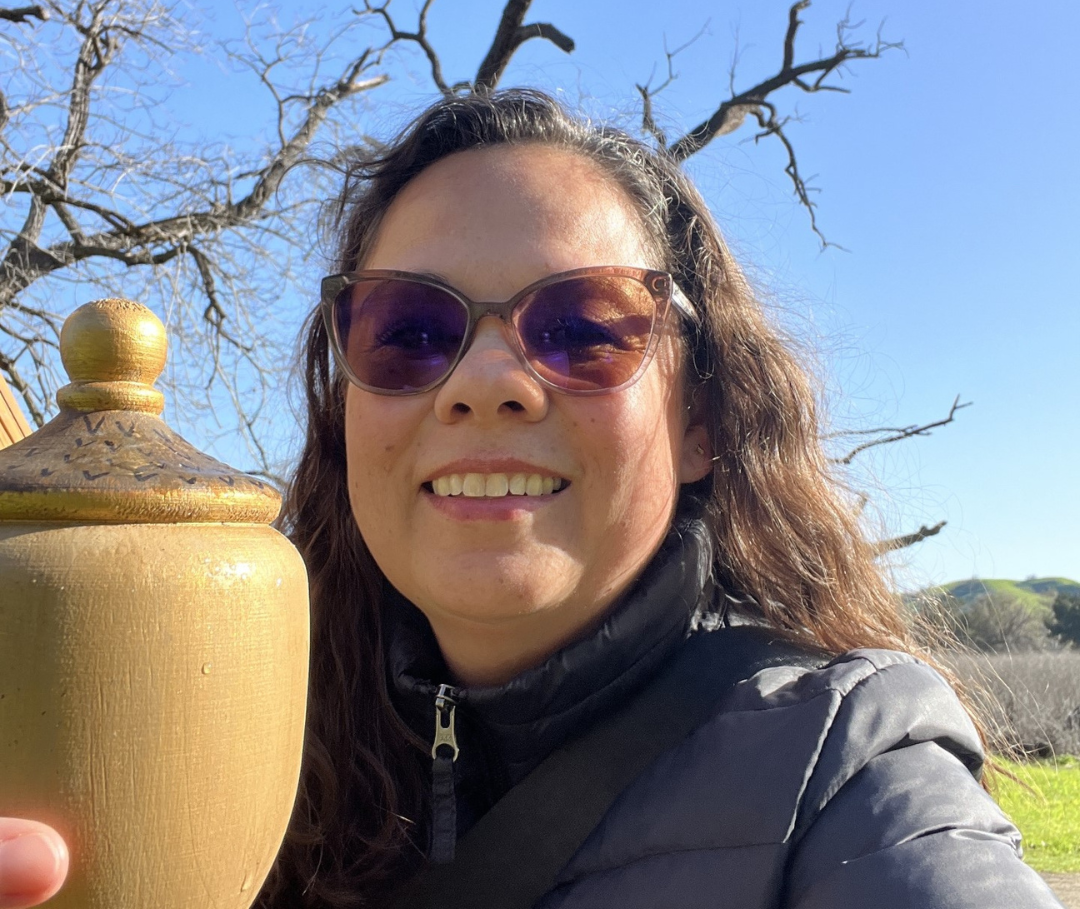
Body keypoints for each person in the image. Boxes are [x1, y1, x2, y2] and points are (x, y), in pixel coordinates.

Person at [1, 90, 1064, 908]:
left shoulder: (845, 763)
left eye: (587, 328)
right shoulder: (216, 736)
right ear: (342, 416)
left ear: (703, 418)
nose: (483, 382)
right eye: (409, 330)